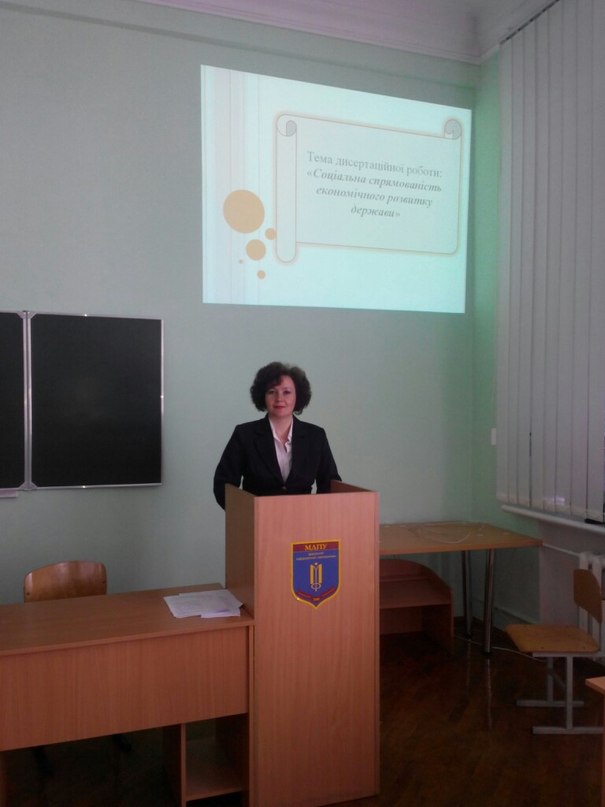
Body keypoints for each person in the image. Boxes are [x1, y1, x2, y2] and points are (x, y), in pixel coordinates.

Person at [213, 361, 341, 509]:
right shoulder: (244, 435)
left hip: (304, 518)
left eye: (286, 392)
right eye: (271, 392)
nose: (279, 398)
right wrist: (245, 513)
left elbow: (330, 483)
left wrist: (319, 514)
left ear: (298, 396)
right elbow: (223, 484)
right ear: (262, 396)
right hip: (257, 519)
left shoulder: (316, 436)